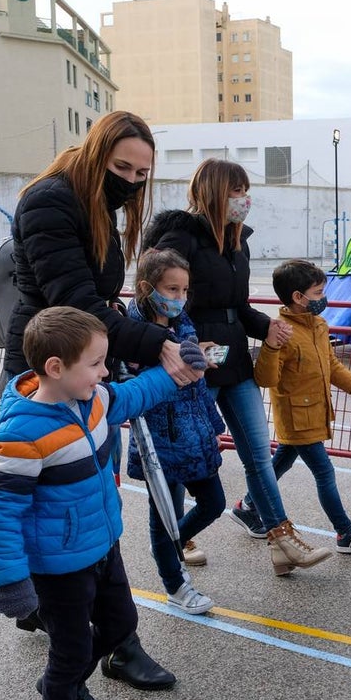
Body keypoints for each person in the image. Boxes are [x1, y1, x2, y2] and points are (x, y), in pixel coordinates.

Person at [5, 109, 192, 691]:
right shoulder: (50, 201)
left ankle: (96, 629)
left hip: (83, 369)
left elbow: (101, 306)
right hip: (50, 376)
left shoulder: (99, 206)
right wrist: (160, 341)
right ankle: (102, 638)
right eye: (122, 168)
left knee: (91, 507)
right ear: (94, 153)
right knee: (61, 506)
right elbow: (79, 300)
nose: (132, 182)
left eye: (142, 174)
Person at [0, 307, 207, 700]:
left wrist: (178, 372)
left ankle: (63, 683)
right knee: (72, 647)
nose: (105, 372)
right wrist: (10, 582)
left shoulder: (95, 399)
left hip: (104, 545)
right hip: (58, 565)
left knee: (121, 624)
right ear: (56, 368)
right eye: (97, 363)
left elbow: (136, 393)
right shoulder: (22, 433)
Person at [142, 158, 333, 575]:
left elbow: (238, 306)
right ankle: (179, 535)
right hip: (194, 364)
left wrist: (267, 327)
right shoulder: (180, 238)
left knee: (258, 457)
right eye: (236, 191)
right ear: (212, 191)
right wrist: (187, 344)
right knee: (182, 455)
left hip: (234, 362)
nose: (244, 200)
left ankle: (281, 538)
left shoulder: (237, 241)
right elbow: (166, 302)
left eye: (246, 190)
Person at [233, 260, 351, 565]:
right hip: (296, 416)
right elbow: (266, 379)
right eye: (318, 292)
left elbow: (331, 366)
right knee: (324, 472)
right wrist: (273, 346)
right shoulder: (283, 332)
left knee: (280, 462)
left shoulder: (319, 326)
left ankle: (248, 504)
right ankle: (346, 532)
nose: (323, 297)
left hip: (314, 412)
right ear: (298, 297)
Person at [126, 248, 226, 614]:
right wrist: (177, 359)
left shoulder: (184, 323)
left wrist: (214, 426)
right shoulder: (131, 330)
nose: (179, 298)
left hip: (195, 434)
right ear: (147, 287)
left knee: (214, 502)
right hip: (158, 440)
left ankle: (169, 546)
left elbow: (197, 384)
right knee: (163, 511)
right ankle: (175, 584)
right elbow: (131, 380)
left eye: (184, 290)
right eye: (171, 290)